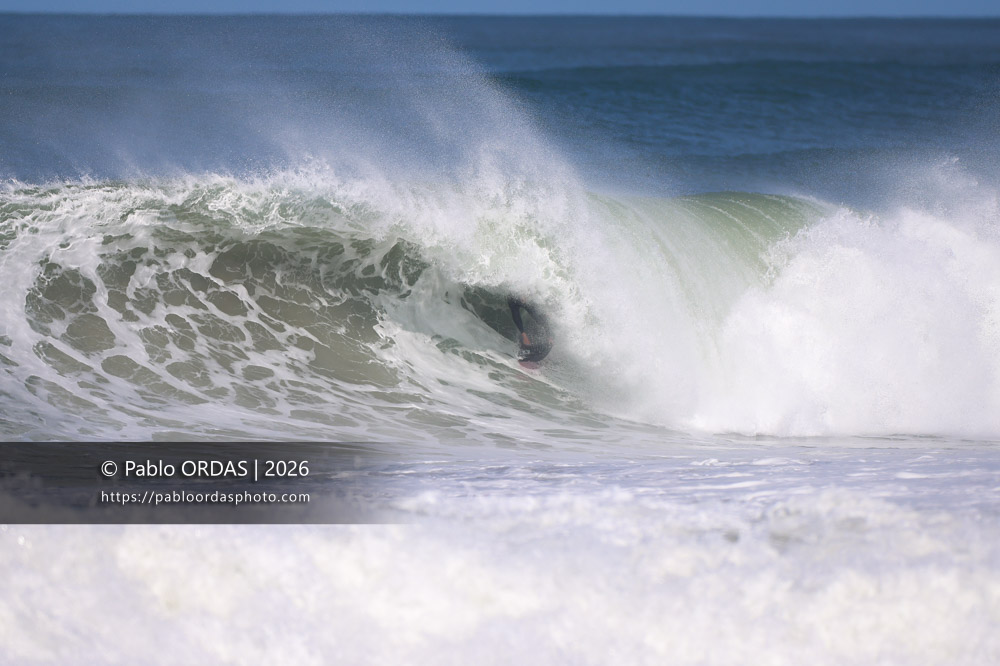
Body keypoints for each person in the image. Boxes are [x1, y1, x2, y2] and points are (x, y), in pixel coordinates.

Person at [507, 296, 553, 362]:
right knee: (515, 308)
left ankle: (549, 336)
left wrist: (549, 335)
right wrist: (524, 336)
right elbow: (516, 317)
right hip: (515, 297)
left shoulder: (527, 298)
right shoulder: (512, 299)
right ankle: (524, 342)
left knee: (538, 318)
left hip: (527, 295)